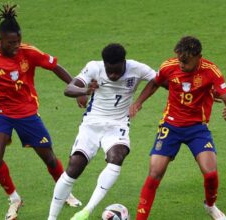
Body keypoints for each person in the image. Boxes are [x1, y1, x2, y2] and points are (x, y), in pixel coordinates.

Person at [0, 4, 81, 220]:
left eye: (18, 40)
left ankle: (65, 193)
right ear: (1, 39)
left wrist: (77, 89)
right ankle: (14, 198)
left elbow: (56, 68)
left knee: (49, 158)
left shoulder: (28, 52)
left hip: (27, 112)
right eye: (11, 42)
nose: (16, 46)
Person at [130, 36, 226, 220]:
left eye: (185, 61)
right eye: (179, 59)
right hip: (170, 126)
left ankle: (210, 206)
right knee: (155, 173)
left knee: (210, 173)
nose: (181, 64)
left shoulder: (211, 71)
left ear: (198, 57)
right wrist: (138, 102)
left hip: (198, 129)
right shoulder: (169, 66)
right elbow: (155, 82)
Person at [47, 43, 157, 220]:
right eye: (109, 71)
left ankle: (86, 211)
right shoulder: (94, 67)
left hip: (117, 125)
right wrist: (85, 90)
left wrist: (138, 102)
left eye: (117, 71)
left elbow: (159, 80)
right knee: (75, 166)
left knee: (117, 157)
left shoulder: (137, 68)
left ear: (124, 63)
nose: (112, 75)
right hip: (92, 125)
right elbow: (69, 89)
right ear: (104, 64)